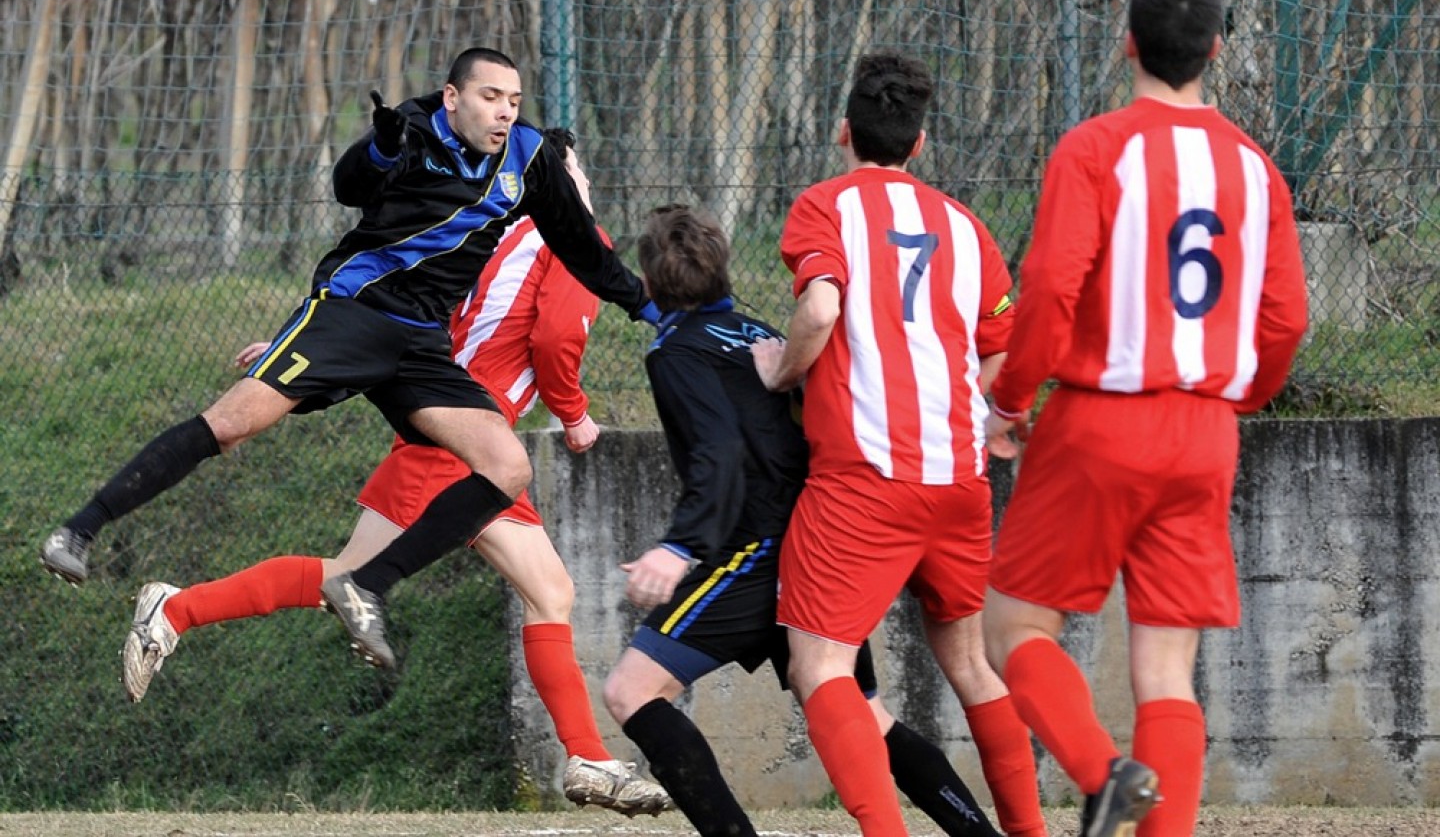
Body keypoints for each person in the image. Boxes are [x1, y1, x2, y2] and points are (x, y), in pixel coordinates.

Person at [41, 47, 657, 668]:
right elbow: (350, 186)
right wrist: (378, 152)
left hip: (420, 343)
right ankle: (80, 529)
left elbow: (586, 250)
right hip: (354, 313)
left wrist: (653, 309)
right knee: (231, 425)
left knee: (506, 466)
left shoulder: (527, 159)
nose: (503, 112)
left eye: (514, 101)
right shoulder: (413, 130)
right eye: (490, 97)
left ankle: (365, 586)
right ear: (453, 98)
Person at [118, 131, 673, 817]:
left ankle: (586, 760)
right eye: (577, 167)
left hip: (460, 435)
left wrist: (310, 342)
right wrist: (577, 415)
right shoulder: (575, 236)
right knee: (350, 576)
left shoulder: (485, 223)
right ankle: (175, 609)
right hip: (464, 444)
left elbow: (397, 286)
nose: (585, 179)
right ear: (558, 175)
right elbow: (556, 338)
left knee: (547, 591)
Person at [980, 0, 1309, 837]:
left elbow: (1049, 291)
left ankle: (1102, 776)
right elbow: (1284, 321)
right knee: (1166, 669)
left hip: (1099, 420)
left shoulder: (1096, 148)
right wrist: (1231, 401)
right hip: (1205, 431)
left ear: (1127, 42)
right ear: (1216, 50)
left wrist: (1010, 400)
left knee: (1011, 629)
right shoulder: (1255, 170)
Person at [601, 204, 1004, 837]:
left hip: (755, 550)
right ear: (723, 270)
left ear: (649, 283)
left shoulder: (675, 354)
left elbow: (720, 454)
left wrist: (679, 548)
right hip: (820, 540)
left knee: (632, 691)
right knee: (867, 715)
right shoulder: (754, 330)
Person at [751, 52, 1045, 837]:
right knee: (970, 664)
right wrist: (973, 408)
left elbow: (817, 313)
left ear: (842, 131)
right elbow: (1003, 351)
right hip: (958, 480)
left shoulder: (823, 206)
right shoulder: (964, 225)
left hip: (863, 481)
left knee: (820, 668)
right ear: (919, 145)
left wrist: (780, 373)